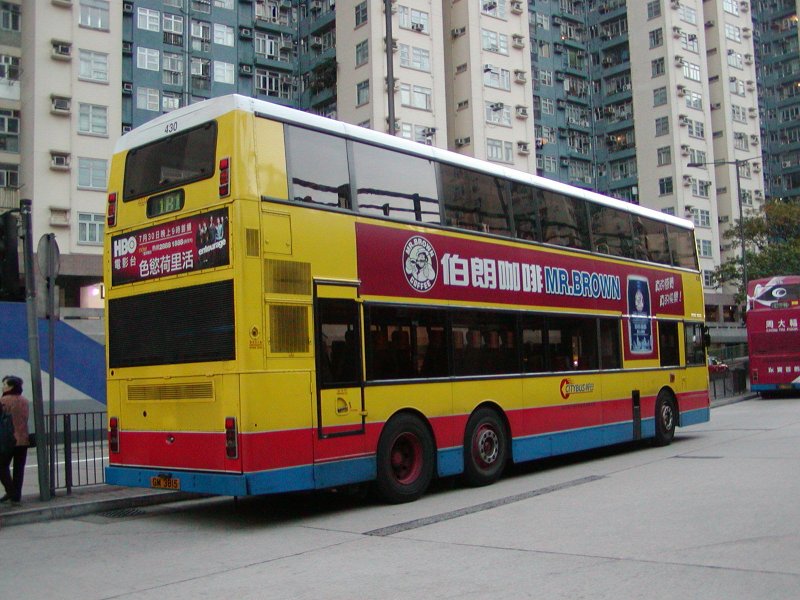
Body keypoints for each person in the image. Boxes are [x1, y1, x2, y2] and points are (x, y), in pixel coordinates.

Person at [0, 375, 30, 505]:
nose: (2, 387)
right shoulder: (25, 401)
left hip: (7, 440)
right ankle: (16, 496)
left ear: (11, 386)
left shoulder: (3, 401)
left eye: (5, 384)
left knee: (2, 466)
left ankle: (11, 491)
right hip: (23, 439)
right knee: (19, 468)